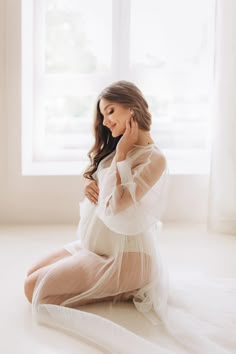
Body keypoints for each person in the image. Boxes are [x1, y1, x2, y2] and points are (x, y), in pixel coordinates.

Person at [24, 81, 236, 354]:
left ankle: (126, 287)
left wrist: (122, 154)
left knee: (33, 289)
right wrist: (91, 185)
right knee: (32, 273)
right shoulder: (117, 147)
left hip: (125, 258)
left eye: (110, 111)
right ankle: (111, 283)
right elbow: (107, 191)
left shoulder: (154, 158)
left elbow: (117, 206)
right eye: (102, 115)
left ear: (132, 107)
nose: (106, 121)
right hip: (96, 247)